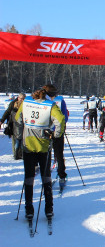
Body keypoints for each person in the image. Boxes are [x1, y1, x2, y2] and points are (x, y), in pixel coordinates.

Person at [15, 86, 65, 220]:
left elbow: (17, 119)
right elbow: (60, 120)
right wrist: (56, 135)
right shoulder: (50, 105)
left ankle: (29, 210)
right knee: (46, 178)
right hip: (43, 146)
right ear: (49, 96)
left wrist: (20, 135)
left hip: (28, 145)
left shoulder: (26, 102)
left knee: (29, 178)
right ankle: (49, 209)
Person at [46, 85, 69, 188]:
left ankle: (46, 177)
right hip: (58, 132)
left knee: (46, 156)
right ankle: (62, 176)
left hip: (45, 132)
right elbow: (65, 117)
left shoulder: (40, 101)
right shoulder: (60, 101)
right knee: (59, 154)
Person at [0, 93, 26, 159]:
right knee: (15, 139)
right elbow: (7, 112)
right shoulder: (13, 104)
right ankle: (16, 154)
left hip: (24, 124)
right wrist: (2, 120)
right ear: (18, 98)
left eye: (23, 99)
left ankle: (21, 153)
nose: (22, 100)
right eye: (21, 98)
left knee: (22, 139)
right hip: (13, 123)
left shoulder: (26, 104)